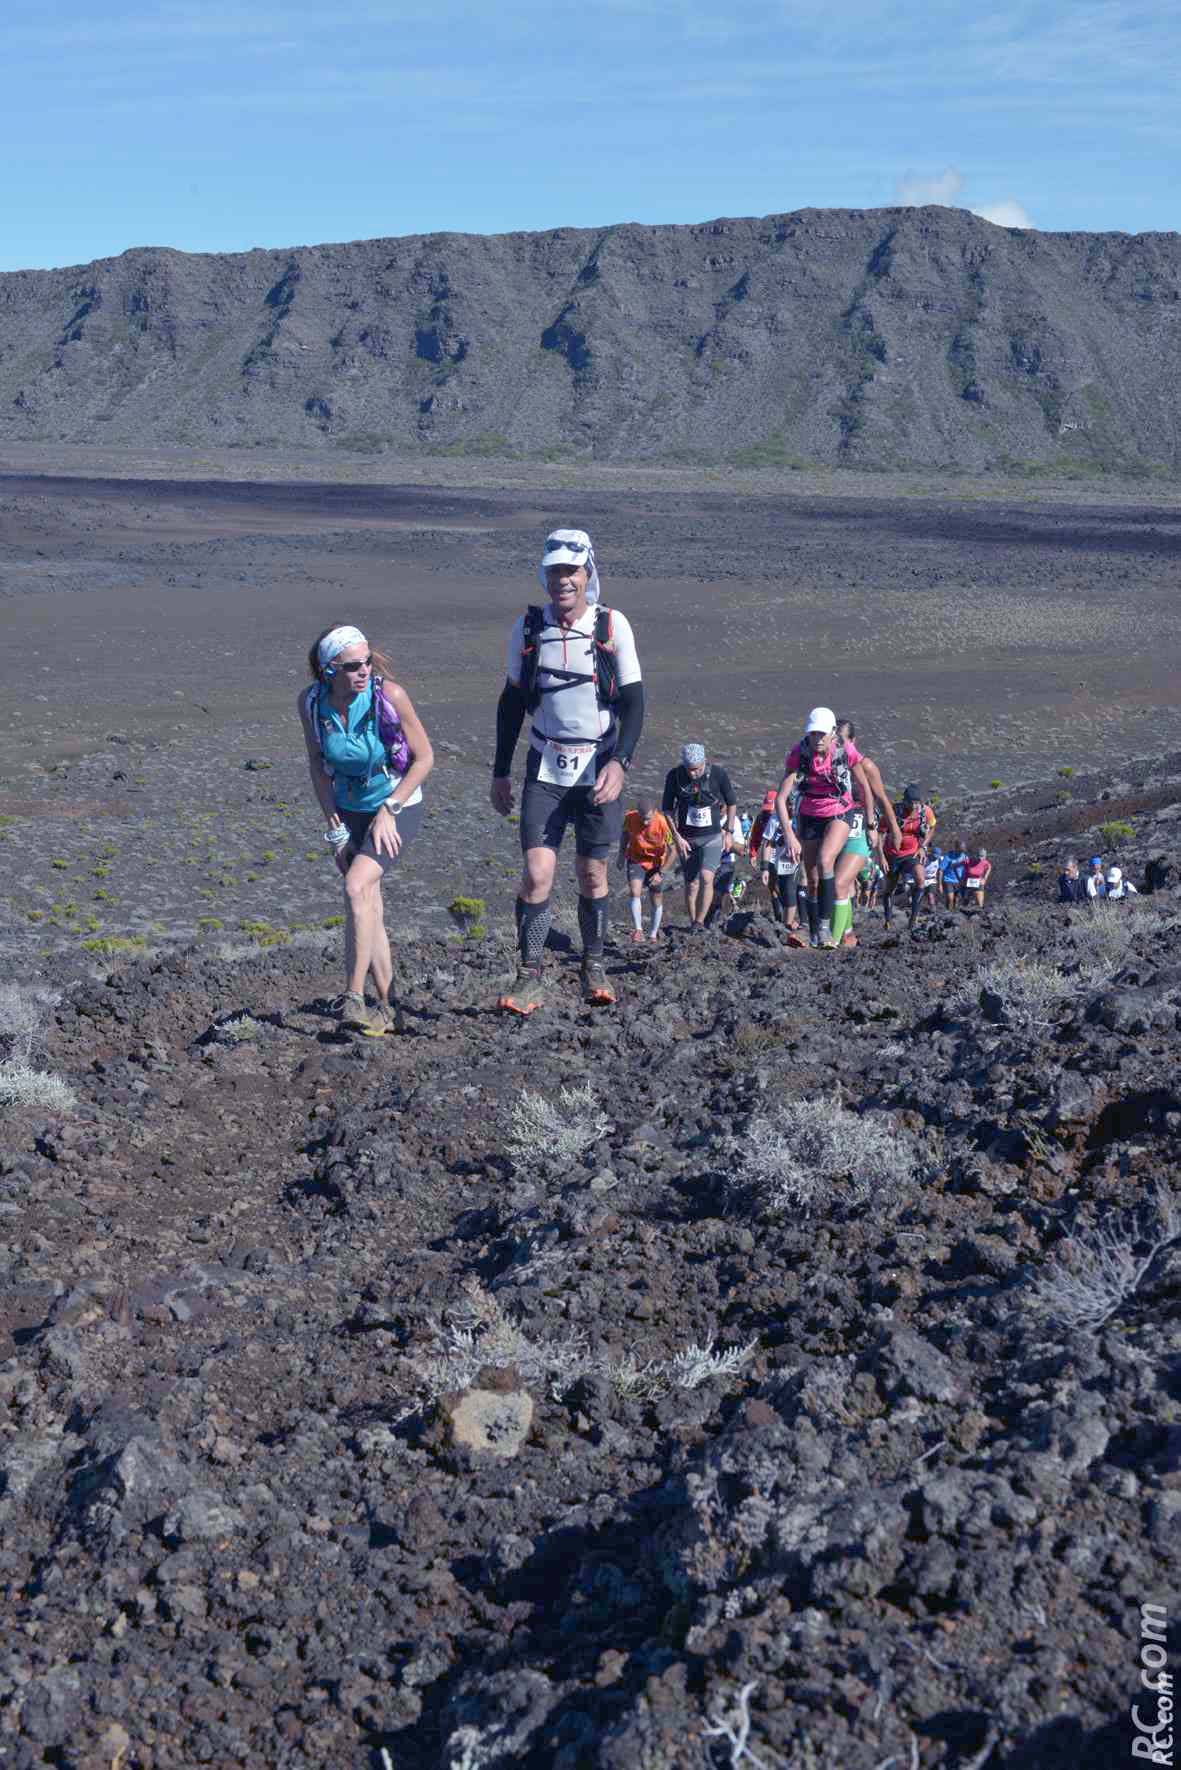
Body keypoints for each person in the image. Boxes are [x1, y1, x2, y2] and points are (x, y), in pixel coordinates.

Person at [492, 527, 644, 1013]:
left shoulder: (613, 627)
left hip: (597, 767)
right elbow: (512, 702)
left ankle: (593, 964)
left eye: (572, 571)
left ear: (587, 574)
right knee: (538, 872)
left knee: (593, 872)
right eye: (555, 570)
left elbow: (636, 702)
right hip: (545, 768)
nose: (564, 580)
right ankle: (529, 973)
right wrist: (500, 771)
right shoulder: (528, 628)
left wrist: (620, 763)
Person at [299, 624, 434, 1034]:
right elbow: (318, 768)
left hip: (397, 805)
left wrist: (390, 808)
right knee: (367, 903)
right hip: (350, 809)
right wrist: (335, 830)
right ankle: (387, 1004)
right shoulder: (311, 704)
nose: (364, 671)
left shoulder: (388, 697)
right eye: (353, 666)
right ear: (328, 672)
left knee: (356, 888)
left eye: (368, 662)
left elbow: (425, 758)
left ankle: (353, 998)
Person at [776, 709, 895, 948]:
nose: (818, 738)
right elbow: (781, 798)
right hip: (809, 815)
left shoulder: (845, 751)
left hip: (841, 811)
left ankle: (826, 929)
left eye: (823, 733)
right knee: (811, 878)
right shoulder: (798, 754)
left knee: (825, 860)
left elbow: (865, 788)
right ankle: (811, 931)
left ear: (832, 734)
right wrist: (789, 835)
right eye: (813, 733)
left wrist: (873, 825)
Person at [830, 718, 902, 945]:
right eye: (834, 740)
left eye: (841, 740)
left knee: (840, 883)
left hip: (860, 828)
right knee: (843, 885)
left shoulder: (867, 767)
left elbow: (882, 799)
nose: (837, 744)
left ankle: (830, 940)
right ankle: (848, 934)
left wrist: (894, 830)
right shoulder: (831, 764)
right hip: (834, 827)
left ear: (853, 740)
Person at [662, 744, 738, 931]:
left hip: (711, 836)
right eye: (689, 769)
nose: (693, 773)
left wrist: (728, 832)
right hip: (686, 839)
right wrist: (676, 837)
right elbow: (667, 809)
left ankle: (700, 923)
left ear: (705, 762)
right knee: (692, 882)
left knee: (706, 877)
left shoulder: (718, 774)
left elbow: (732, 802)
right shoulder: (675, 777)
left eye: (697, 769)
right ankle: (693, 921)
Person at [881, 785, 937, 933]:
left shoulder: (925, 811)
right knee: (890, 888)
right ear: (904, 801)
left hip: (911, 853)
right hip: (892, 854)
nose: (914, 806)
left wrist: (922, 847)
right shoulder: (893, 811)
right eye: (911, 803)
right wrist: (880, 856)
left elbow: (932, 827)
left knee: (920, 878)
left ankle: (913, 919)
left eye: (917, 803)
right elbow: (880, 832)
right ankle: (887, 920)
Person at [618, 795, 674, 942]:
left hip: (656, 863)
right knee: (635, 891)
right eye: (642, 817)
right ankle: (638, 930)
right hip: (636, 858)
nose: (645, 821)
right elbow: (624, 835)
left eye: (648, 818)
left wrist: (661, 873)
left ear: (655, 812)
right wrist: (620, 855)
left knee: (656, 897)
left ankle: (653, 934)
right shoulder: (630, 817)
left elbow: (673, 850)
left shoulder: (662, 823)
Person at [705, 808, 744, 928]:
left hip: (725, 862)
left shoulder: (733, 821)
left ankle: (711, 924)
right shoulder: (706, 816)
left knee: (717, 896)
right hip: (706, 861)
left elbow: (740, 850)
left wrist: (725, 837)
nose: (719, 810)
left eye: (721, 806)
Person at [942, 840, 969, 910]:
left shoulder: (965, 857)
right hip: (948, 880)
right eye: (960, 850)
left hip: (959, 881)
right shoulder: (948, 856)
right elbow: (941, 870)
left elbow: (967, 869)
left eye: (963, 850)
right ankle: (948, 912)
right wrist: (939, 884)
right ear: (956, 848)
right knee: (950, 898)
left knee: (956, 899)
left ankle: (953, 913)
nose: (962, 852)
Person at [963, 846, 992, 911]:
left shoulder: (985, 862)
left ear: (985, 856)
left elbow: (989, 867)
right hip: (968, 883)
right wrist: (961, 879)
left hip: (978, 883)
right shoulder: (969, 861)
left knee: (980, 904)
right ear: (976, 855)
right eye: (979, 856)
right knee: (965, 902)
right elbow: (959, 866)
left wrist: (985, 878)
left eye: (982, 857)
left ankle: (979, 916)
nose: (980, 859)